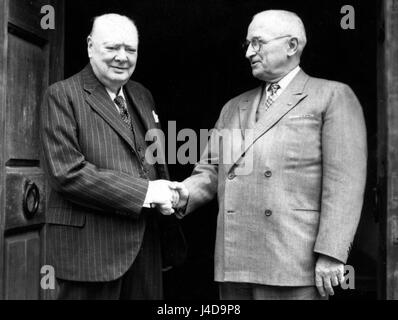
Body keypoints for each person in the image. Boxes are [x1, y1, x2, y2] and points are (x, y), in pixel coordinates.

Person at [172, 10, 367, 300]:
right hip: (235, 260)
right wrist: (181, 194)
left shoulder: (332, 96)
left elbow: (345, 183)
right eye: (247, 44)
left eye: (258, 43)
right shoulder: (233, 107)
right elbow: (210, 172)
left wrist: (331, 253)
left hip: (294, 261)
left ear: (291, 46)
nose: (250, 52)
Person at [40, 13, 184, 299]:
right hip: (91, 252)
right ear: (91, 46)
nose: (122, 57)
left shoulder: (142, 95)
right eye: (112, 48)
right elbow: (67, 173)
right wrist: (147, 192)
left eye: (130, 50)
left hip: (145, 249)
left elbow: (151, 161)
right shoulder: (61, 95)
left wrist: (168, 193)